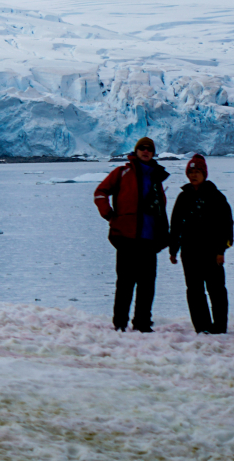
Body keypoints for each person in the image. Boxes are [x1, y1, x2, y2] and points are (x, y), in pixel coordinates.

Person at [93, 135, 170, 331]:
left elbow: (161, 208)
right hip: (126, 237)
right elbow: (100, 192)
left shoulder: (156, 176)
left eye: (149, 149)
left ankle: (142, 323)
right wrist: (109, 215)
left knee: (147, 285)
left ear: (153, 153)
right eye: (142, 148)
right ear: (136, 151)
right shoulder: (122, 172)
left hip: (149, 238)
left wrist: (164, 234)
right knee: (125, 284)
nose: (145, 151)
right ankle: (120, 323)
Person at [169, 153, 233, 334]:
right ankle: (202, 327)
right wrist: (173, 249)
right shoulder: (183, 197)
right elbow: (175, 224)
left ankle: (219, 327)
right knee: (194, 290)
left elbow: (226, 225)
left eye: (197, 171)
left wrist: (222, 249)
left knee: (216, 290)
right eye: (191, 172)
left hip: (212, 252)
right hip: (189, 252)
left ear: (204, 173)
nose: (193, 175)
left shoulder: (216, 197)